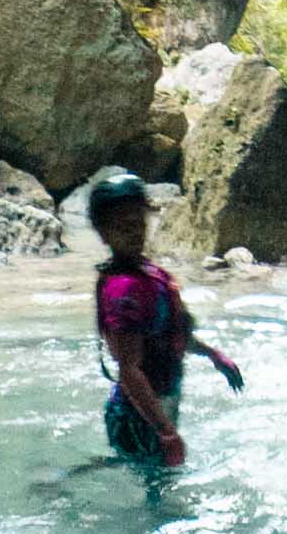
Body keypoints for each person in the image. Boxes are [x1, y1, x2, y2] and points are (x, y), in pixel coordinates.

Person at [91, 171, 243, 469]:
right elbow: (129, 368)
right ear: (104, 233)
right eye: (123, 227)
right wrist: (166, 432)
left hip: (155, 408)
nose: (134, 233)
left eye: (138, 223)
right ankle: (68, 481)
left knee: (146, 473)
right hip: (141, 415)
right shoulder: (124, 291)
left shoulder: (148, 275)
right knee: (156, 489)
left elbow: (170, 333)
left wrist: (214, 355)